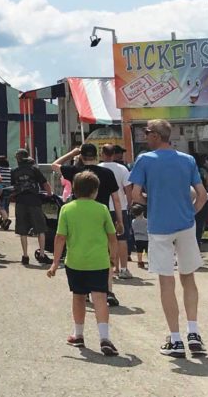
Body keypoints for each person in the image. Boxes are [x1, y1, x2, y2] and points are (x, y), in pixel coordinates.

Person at [126, 119, 208, 358]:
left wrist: (152, 202)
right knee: (188, 277)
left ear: (155, 136)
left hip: (160, 226)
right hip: (185, 225)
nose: (145, 136)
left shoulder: (145, 160)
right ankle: (194, 332)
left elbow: (135, 194)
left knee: (166, 281)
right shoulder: (187, 160)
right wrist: (188, 212)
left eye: (147, 132)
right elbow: (201, 195)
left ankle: (175, 340)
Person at [47, 170, 119, 357]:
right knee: (100, 298)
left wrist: (55, 262)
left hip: (75, 262)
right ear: (95, 191)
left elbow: (60, 237)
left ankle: (78, 334)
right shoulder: (102, 209)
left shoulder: (67, 209)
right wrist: (114, 259)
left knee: (78, 297)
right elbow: (112, 237)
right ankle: (104, 338)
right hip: (99, 262)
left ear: (75, 190)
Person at [52, 143, 124, 305]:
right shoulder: (107, 173)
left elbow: (55, 165)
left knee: (80, 250)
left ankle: (83, 291)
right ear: (97, 156)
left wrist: (72, 152)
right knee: (104, 254)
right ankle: (108, 290)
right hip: (102, 216)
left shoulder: (76, 172)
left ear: (81, 156)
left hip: (79, 216)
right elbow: (116, 199)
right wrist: (119, 220)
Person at [11, 148, 52, 265]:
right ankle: (42, 254)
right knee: (40, 228)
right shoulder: (34, 169)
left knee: (22, 230)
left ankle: (25, 256)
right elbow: (45, 184)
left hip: (20, 202)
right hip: (34, 201)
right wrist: (50, 195)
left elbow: (14, 187)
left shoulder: (14, 171)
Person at [99, 143, 132, 278]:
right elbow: (128, 190)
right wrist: (129, 203)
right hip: (120, 207)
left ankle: (110, 268)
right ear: (114, 154)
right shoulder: (122, 169)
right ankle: (124, 268)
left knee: (106, 239)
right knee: (122, 239)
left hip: (103, 207)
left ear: (102, 154)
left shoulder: (98, 168)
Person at [0, 155, 12, 229]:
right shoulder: (10, 169)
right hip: (9, 189)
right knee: (6, 205)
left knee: (0, 206)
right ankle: (4, 222)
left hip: (0, 189)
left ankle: (6, 220)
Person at [131, 204, 149, 269]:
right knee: (148, 251)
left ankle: (140, 262)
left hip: (137, 238)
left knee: (139, 251)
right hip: (146, 238)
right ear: (142, 212)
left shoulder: (133, 221)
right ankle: (150, 262)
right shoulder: (146, 221)